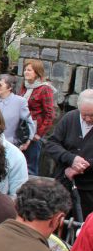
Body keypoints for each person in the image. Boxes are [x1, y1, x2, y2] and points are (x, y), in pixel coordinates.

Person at [45, 88, 93, 218]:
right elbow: (52, 143)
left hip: (89, 188)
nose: (88, 119)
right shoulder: (70, 118)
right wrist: (71, 159)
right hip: (63, 182)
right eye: (84, 115)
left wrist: (82, 166)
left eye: (92, 115)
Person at [20, 59, 56, 175]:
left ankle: (30, 191)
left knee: (30, 165)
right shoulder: (24, 86)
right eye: (25, 70)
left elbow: (49, 114)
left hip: (34, 131)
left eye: (29, 70)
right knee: (19, 162)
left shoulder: (44, 89)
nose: (26, 72)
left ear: (37, 72)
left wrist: (39, 134)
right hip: (21, 129)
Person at [0, 73, 35, 147]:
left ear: (10, 87)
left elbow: (29, 122)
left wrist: (28, 140)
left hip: (11, 144)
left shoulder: (20, 101)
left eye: (0, 85)